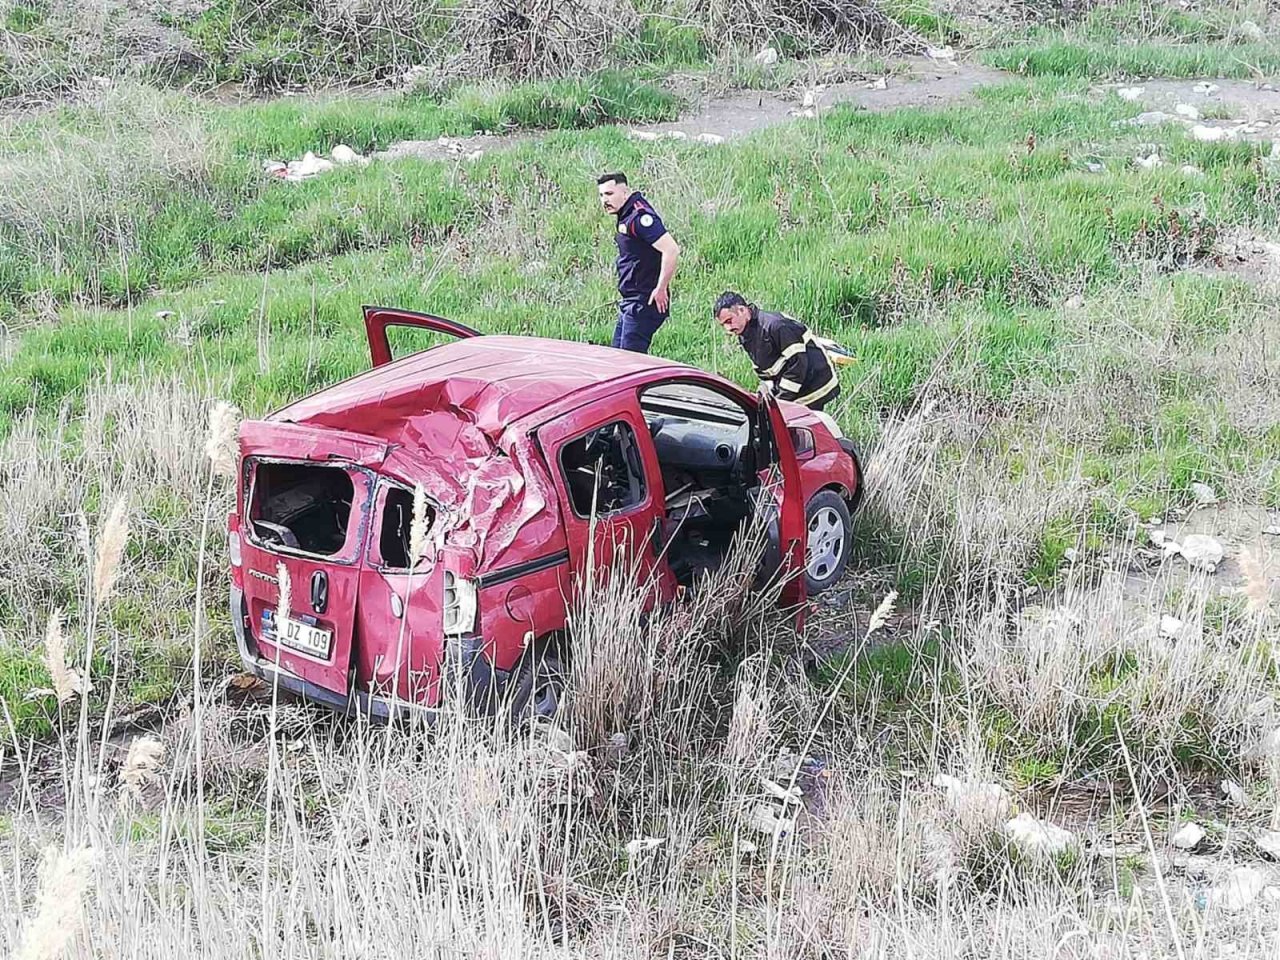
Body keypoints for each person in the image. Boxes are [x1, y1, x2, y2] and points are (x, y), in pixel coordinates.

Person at [713, 291, 843, 411]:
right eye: (723, 325)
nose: (727, 329)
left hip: (814, 382)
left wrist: (781, 401)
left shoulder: (775, 326)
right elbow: (766, 368)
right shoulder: (745, 333)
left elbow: (798, 365)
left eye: (729, 321)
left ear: (742, 310)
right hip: (795, 385)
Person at [597, 172, 680, 353]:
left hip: (643, 302)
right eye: (601, 195)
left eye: (609, 194)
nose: (604, 200)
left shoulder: (640, 217)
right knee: (616, 359)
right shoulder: (626, 214)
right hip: (631, 301)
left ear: (625, 193)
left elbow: (671, 250)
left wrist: (661, 288)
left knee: (630, 365)